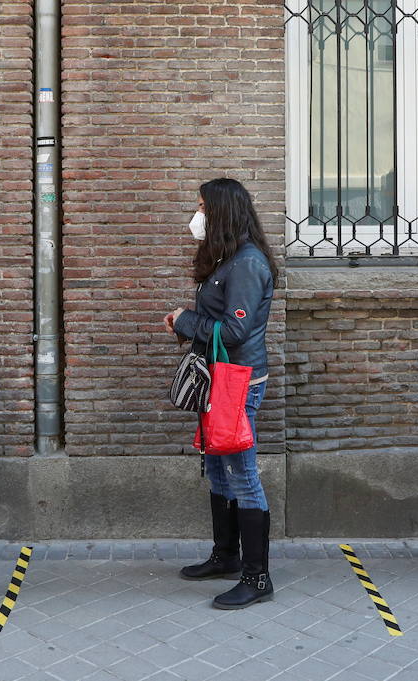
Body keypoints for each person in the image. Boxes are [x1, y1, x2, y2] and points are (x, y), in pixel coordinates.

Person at [166, 178, 277, 610]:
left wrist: (184, 321)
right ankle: (227, 556)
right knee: (216, 470)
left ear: (221, 212)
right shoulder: (225, 258)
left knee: (243, 475)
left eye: (201, 208)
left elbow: (234, 330)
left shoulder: (247, 263)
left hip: (237, 384)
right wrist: (188, 320)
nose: (196, 217)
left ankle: (258, 577)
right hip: (217, 381)